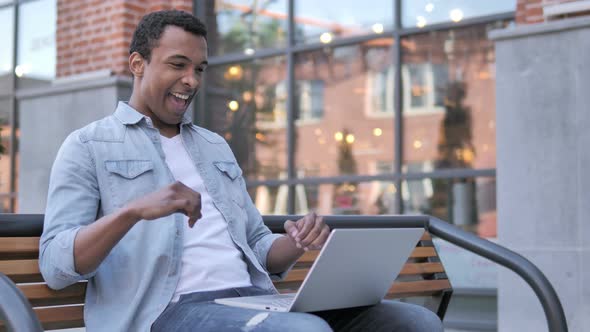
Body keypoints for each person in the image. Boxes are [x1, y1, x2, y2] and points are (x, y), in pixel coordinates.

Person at [39, 10, 444, 332]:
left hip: (251, 299)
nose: (190, 80)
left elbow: (258, 245)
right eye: (178, 64)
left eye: (199, 68)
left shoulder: (213, 146)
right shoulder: (89, 145)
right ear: (137, 64)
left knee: (414, 321)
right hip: (168, 313)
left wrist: (296, 241)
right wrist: (133, 211)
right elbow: (55, 266)